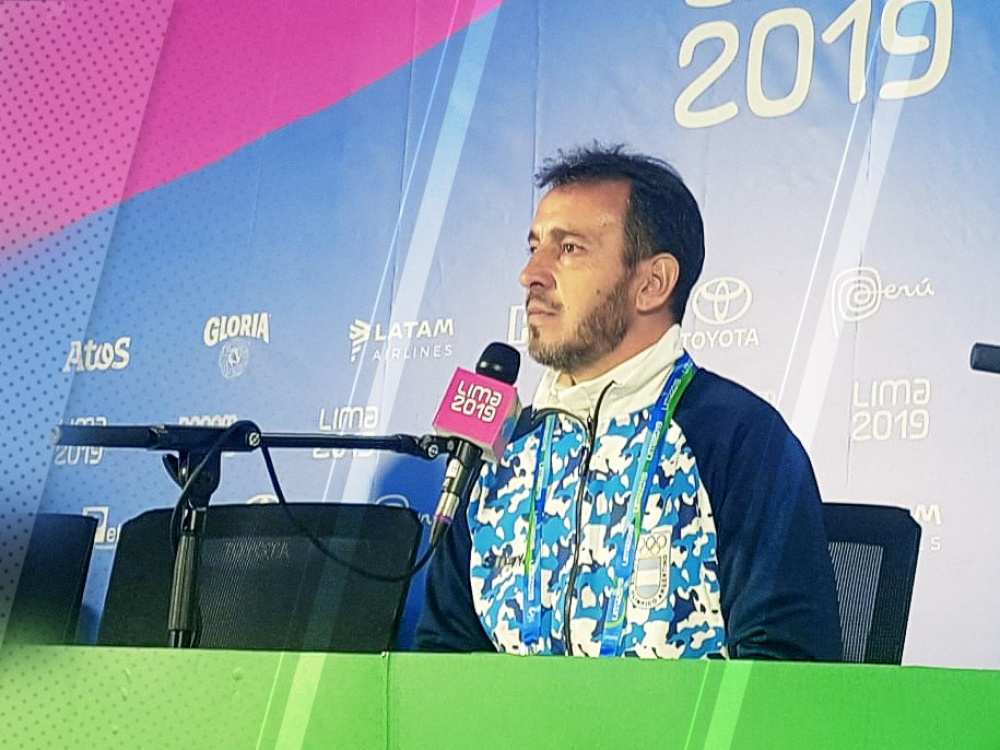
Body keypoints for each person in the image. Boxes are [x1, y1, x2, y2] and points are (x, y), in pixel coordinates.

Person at [415, 144, 841, 660]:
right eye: (534, 247)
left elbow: (786, 668)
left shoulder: (741, 439)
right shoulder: (500, 452)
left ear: (652, 284)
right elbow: (442, 659)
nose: (531, 274)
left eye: (569, 248)